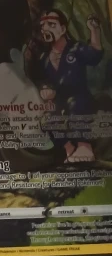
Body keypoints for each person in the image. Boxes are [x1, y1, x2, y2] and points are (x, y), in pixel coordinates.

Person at [32, 10, 103, 162]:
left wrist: (94, 30)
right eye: (43, 26)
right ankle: (69, 150)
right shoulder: (44, 58)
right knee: (47, 119)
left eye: (52, 24)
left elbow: (95, 56)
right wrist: (45, 90)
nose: (46, 29)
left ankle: (84, 147)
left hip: (80, 98)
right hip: (59, 102)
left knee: (75, 104)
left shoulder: (76, 49)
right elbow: (41, 80)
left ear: (63, 29)